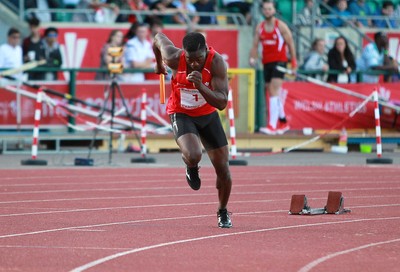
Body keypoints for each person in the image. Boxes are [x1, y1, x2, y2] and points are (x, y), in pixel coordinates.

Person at [152, 32, 232, 228]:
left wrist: (200, 86)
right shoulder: (172, 57)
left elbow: (221, 103)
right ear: (183, 54)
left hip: (208, 115)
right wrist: (159, 63)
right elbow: (157, 38)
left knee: (224, 171)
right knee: (194, 154)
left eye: (198, 59)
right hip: (181, 113)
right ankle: (191, 166)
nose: (194, 64)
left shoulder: (217, 63)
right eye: (190, 59)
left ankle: (222, 211)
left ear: (206, 50)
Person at [249, 0, 297, 135]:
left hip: (280, 61)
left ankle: (272, 125)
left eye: (269, 9)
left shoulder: (280, 26)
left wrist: (293, 62)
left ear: (274, 10)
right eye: (265, 9)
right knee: (271, 92)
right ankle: (283, 122)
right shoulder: (260, 27)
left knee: (273, 90)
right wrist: (252, 58)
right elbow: (254, 45)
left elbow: (291, 43)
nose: (267, 12)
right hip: (267, 63)